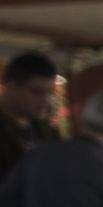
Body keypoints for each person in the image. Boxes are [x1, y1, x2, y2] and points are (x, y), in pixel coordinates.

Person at [0, 50, 60, 189]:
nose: (45, 100)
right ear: (11, 87)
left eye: (50, 92)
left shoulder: (49, 133)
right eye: (36, 92)